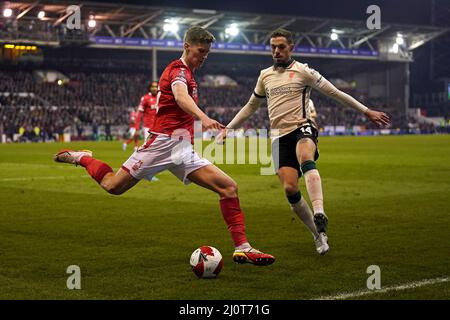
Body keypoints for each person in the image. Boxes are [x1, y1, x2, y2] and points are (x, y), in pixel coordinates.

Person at [54, 26, 275, 266]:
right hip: (162, 143)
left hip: (181, 149)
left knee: (229, 188)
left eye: (207, 53)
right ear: (186, 46)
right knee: (113, 186)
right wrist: (203, 117)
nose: (203, 57)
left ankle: (242, 248)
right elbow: (180, 97)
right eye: (200, 51)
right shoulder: (177, 70)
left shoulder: (190, 73)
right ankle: (82, 157)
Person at [220, 28, 391, 255]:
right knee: (290, 188)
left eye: (281, 47)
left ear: (291, 47)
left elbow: (335, 93)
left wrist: (366, 110)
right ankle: (318, 234)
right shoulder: (265, 76)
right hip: (278, 137)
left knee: (305, 157)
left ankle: (319, 211)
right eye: (273, 47)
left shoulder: (304, 71)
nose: (277, 51)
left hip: (302, 127)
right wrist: (228, 129)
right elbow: (251, 106)